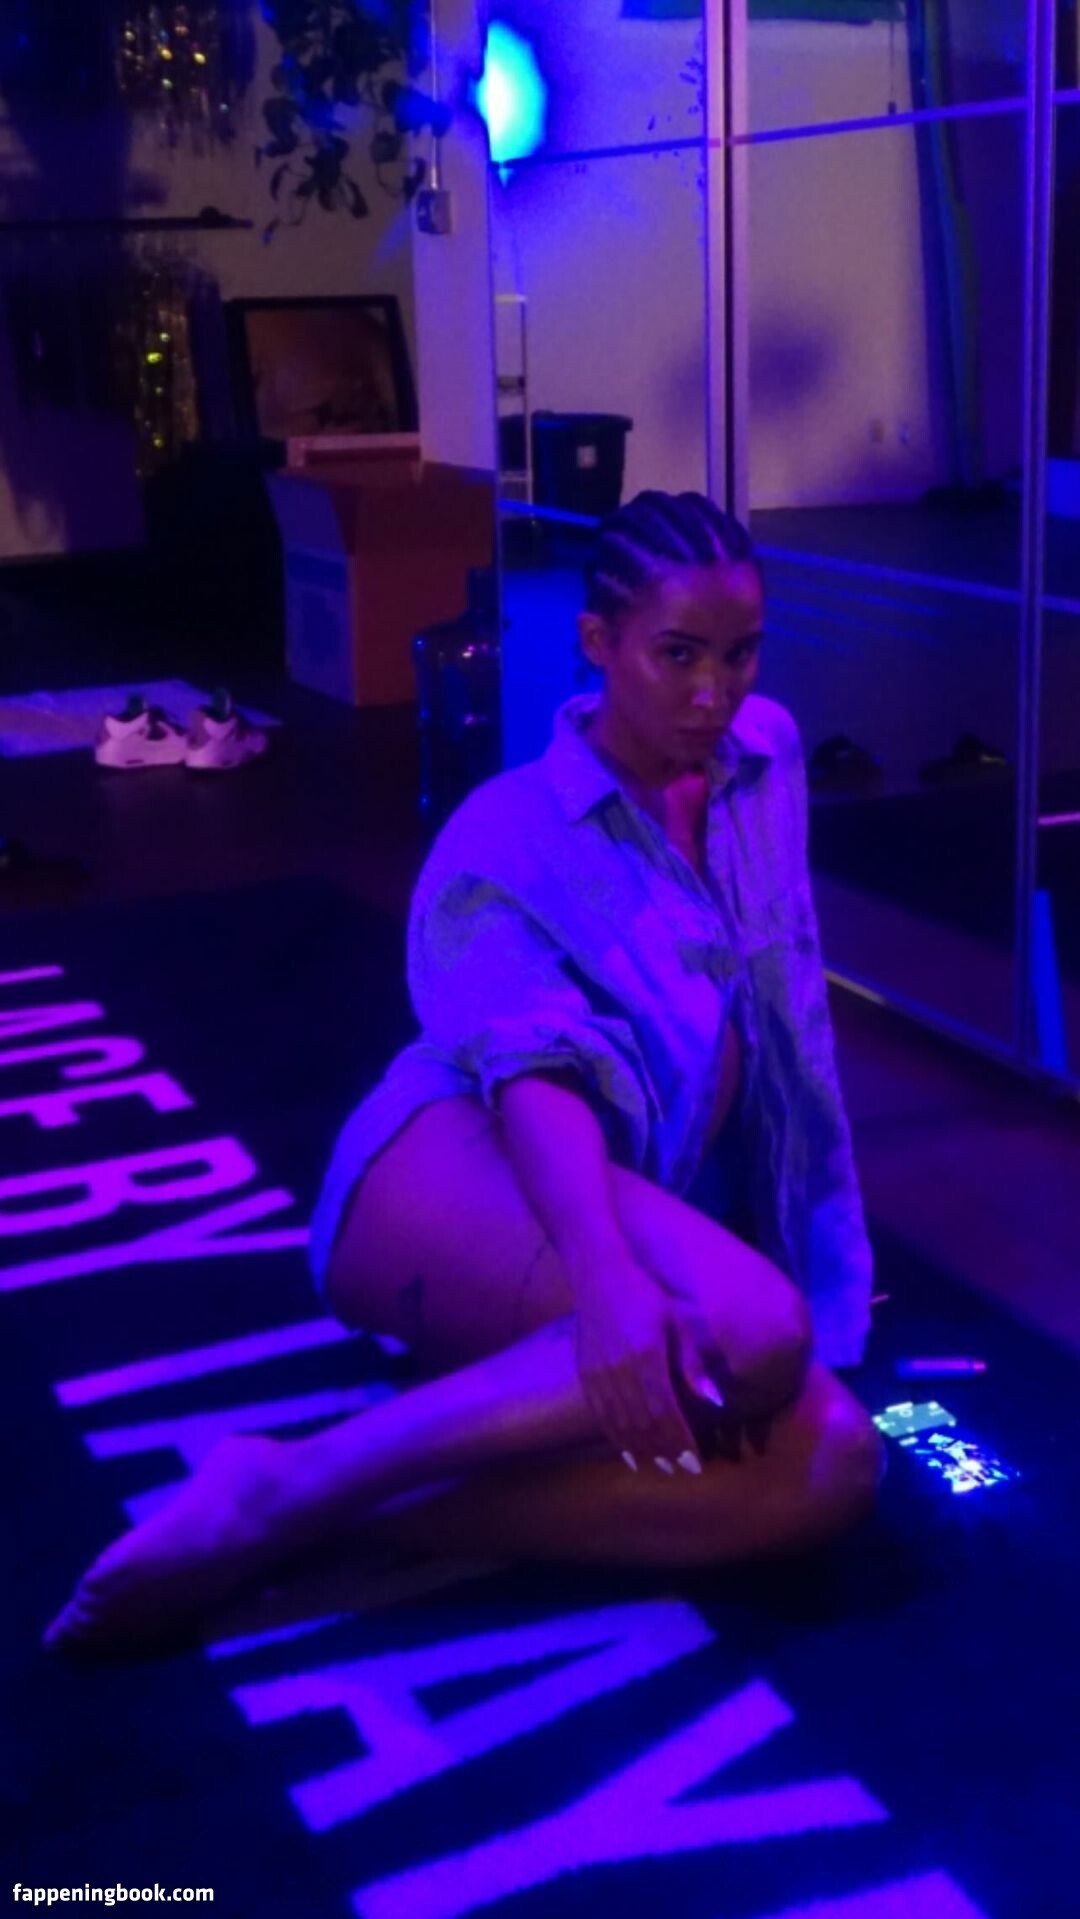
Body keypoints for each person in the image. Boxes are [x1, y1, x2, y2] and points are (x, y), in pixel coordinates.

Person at [44, 490, 884, 1653]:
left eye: (741, 653)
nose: (714, 692)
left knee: (834, 1462)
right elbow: (535, 1075)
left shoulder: (765, 758)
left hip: (636, 1185)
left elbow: (784, 1015)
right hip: (457, 1162)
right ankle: (295, 1476)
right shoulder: (508, 831)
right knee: (752, 1328)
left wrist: (810, 1234)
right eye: (678, 653)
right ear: (598, 643)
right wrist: (606, 1277)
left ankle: (324, 1518)